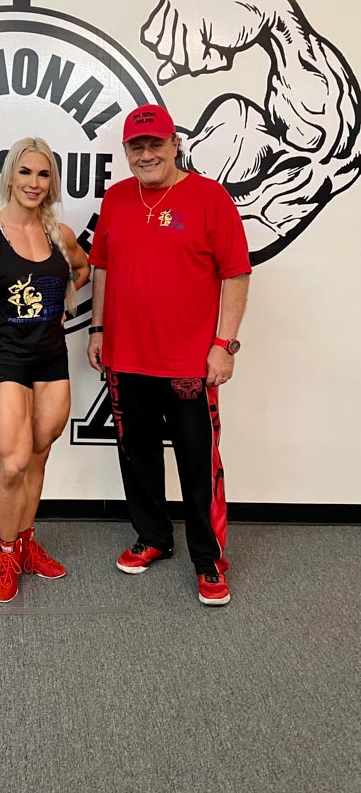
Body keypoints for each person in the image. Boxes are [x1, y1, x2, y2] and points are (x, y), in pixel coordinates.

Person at [87, 104, 251, 606]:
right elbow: (101, 268)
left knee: (198, 465)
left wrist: (224, 345)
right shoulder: (117, 198)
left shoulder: (210, 197)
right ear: (126, 151)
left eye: (155, 144)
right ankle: (154, 536)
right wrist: (97, 328)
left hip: (189, 365)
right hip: (126, 357)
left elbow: (236, 273)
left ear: (174, 144)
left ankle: (208, 559)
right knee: (137, 458)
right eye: (136, 147)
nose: (146, 154)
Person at [0, 137, 89, 603]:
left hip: (52, 360)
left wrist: (63, 299)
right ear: (10, 177)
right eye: (26, 172)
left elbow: (82, 268)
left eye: (44, 174)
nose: (34, 182)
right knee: (13, 464)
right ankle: (7, 551)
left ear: (52, 182)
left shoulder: (60, 234)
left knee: (38, 454)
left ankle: (28, 541)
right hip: (8, 360)